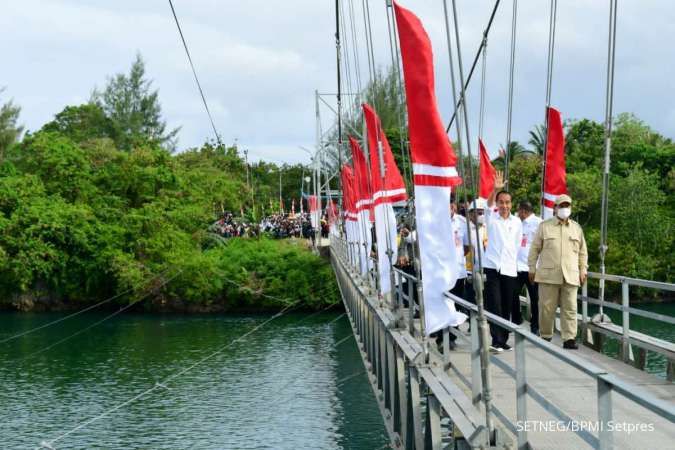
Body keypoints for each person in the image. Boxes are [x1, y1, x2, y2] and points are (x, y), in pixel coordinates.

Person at [528, 194, 588, 349]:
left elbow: (583, 252)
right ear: (555, 208)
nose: (564, 209)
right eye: (561, 206)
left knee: (570, 308)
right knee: (546, 308)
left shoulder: (576, 228)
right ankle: (546, 336)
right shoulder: (544, 226)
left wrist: (583, 270)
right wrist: (532, 268)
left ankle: (569, 339)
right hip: (549, 275)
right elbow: (534, 249)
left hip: (571, 275)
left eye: (567, 206)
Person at [484, 171, 522, 352]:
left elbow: (516, 244)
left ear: (511, 204)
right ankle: (496, 339)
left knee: (507, 304)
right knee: (495, 304)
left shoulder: (517, 222)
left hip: (509, 268)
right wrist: (495, 189)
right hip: (492, 267)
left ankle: (503, 339)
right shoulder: (492, 218)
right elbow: (487, 205)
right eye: (501, 202)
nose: (504, 205)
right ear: (497, 204)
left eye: (507, 202)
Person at [514, 201, 542, 335]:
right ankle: (516, 319)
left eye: (519, 210)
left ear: (524, 211)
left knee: (535, 298)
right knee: (513, 294)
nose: (518, 213)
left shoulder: (539, 223)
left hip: (532, 268)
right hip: (517, 266)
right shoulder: (517, 222)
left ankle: (535, 325)